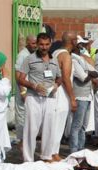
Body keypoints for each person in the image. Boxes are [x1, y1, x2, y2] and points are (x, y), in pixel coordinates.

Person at [17, 32, 62, 163]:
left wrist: (56, 85)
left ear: (50, 44)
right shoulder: (29, 59)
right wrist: (33, 86)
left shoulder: (54, 60)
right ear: (37, 44)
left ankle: (47, 157)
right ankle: (28, 159)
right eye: (41, 44)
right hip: (33, 97)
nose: (44, 47)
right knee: (31, 129)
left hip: (50, 98)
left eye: (47, 44)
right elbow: (20, 79)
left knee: (49, 128)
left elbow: (59, 78)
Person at [50, 32, 77, 161]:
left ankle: (52, 152)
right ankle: (53, 153)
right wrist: (72, 98)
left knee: (55, 125)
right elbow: (66, 78)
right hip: (61, 94)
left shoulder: (55, 53)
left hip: (55, 92)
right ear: (73, 41)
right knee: (58, 125)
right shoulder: (65, 56)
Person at [69, 45, 98, 153]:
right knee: (77, 125)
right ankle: (74, 150)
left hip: (88, 97)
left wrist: (89, 73)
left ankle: (81, 149)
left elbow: (96, 73)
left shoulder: (82, 60)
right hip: (80, 96)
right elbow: (83, 78)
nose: (82, 49)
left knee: (83, 126)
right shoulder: (73, 61)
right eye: (80, 46)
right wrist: (89, 73)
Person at [14, 35, 37, 150]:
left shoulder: (33, 54)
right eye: (33, 43)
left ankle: (27, 141)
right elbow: (18, 75)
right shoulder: (22, 55)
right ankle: (22, 143)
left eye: (36, 43)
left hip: (31, 90)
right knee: (22, 116)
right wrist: (23, 92)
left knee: (30, 116)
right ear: (28, 43)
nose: (35, 45)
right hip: (24, 91)